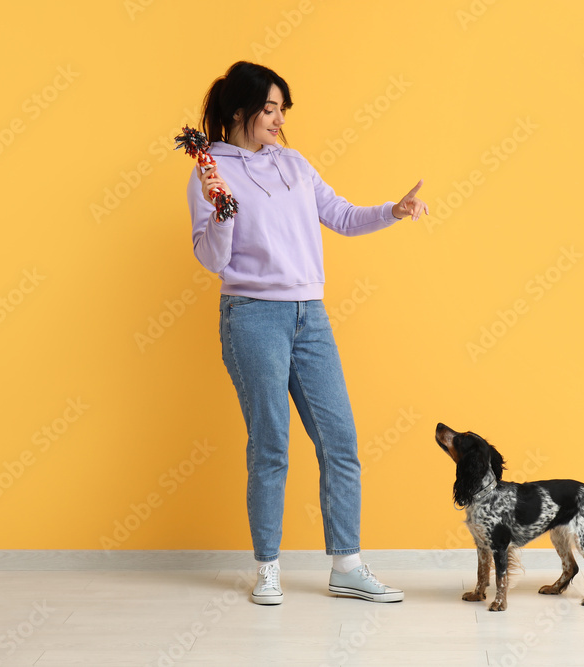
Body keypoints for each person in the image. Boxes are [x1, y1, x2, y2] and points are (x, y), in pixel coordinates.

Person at [185, 61, 427, 605]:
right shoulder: (210, 170)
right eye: (268, 109)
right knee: (270, 443)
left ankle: (347, 564)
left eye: (282, 109)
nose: (278, 119)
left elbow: (339, 215)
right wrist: (221, 208)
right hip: (252, 315)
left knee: (340, 440)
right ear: (239, 112)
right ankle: (267, 568)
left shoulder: (294, 163)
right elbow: (210, 258)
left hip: (309, 316)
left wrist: (394, 210)